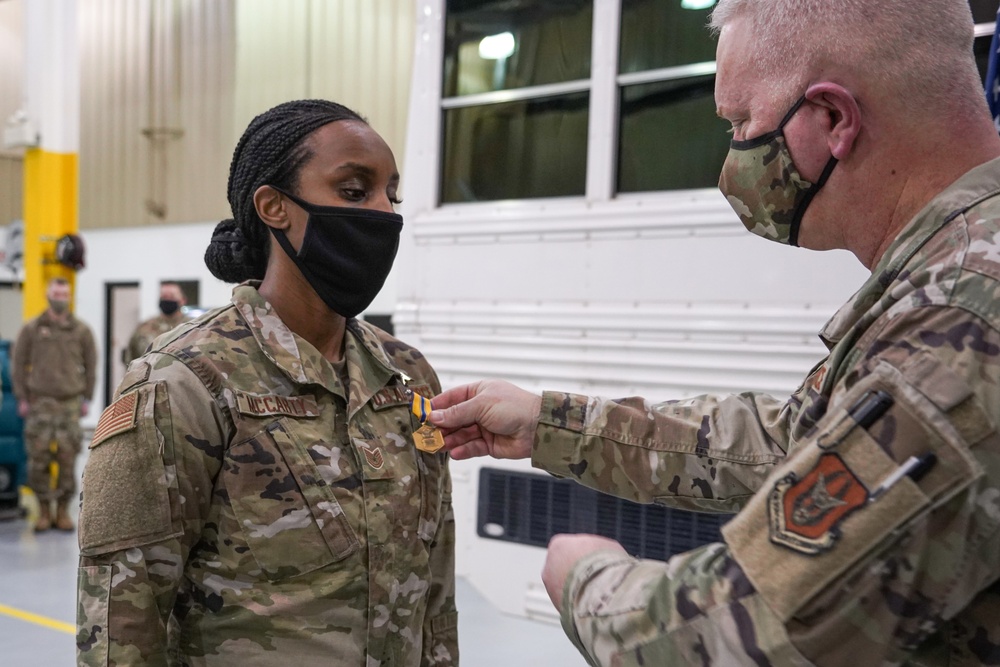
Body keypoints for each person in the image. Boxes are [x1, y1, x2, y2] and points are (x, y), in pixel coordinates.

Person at [428, 0, 1000, 664]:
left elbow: (754, 628)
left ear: (834, 119)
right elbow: (799, 441)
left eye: (741, 123)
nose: (735, 158)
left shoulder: (965, 318)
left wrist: (584, 579)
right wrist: (550, 422)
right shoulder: (954, 275)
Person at [76, 100, 458, 666]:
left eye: (391, 195)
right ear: (274, 206)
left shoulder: (405, 376)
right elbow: (119, 626)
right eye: (355, 192)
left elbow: (435, 594)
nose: (384, 213)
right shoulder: (183, 381)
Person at [12, 276, 96, 532]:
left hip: (69, 404)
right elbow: (18, 364)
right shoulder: (32, 328)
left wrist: (87, 398)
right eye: (55, 294)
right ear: (48, 295)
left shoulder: (81, 330)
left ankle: (62, 511)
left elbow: (91, 365)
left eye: (63, 295)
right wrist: (22, 398)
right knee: (38, 460)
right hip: (39, 404)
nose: (59, 298)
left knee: (68, 459)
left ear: (68, 297)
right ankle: (44, 511)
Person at [121, 280, 191, 365]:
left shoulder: (191, 327)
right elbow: (130, 357)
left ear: (182, 300)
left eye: (171, 296)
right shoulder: (144, 328)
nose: (167, 300)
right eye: (164, 296)